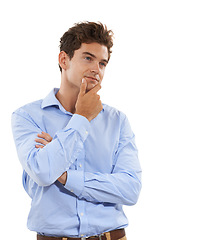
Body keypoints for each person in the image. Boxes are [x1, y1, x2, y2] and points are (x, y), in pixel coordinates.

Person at [11, 21, 142, 240]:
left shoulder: (117, 121)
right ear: (64, 60)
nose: (96, 69)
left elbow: (130, 189)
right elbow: (43, 172)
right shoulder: (27, 117)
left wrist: (65, 176)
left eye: (102, 63)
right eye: (88, 58)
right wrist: (81, 119)